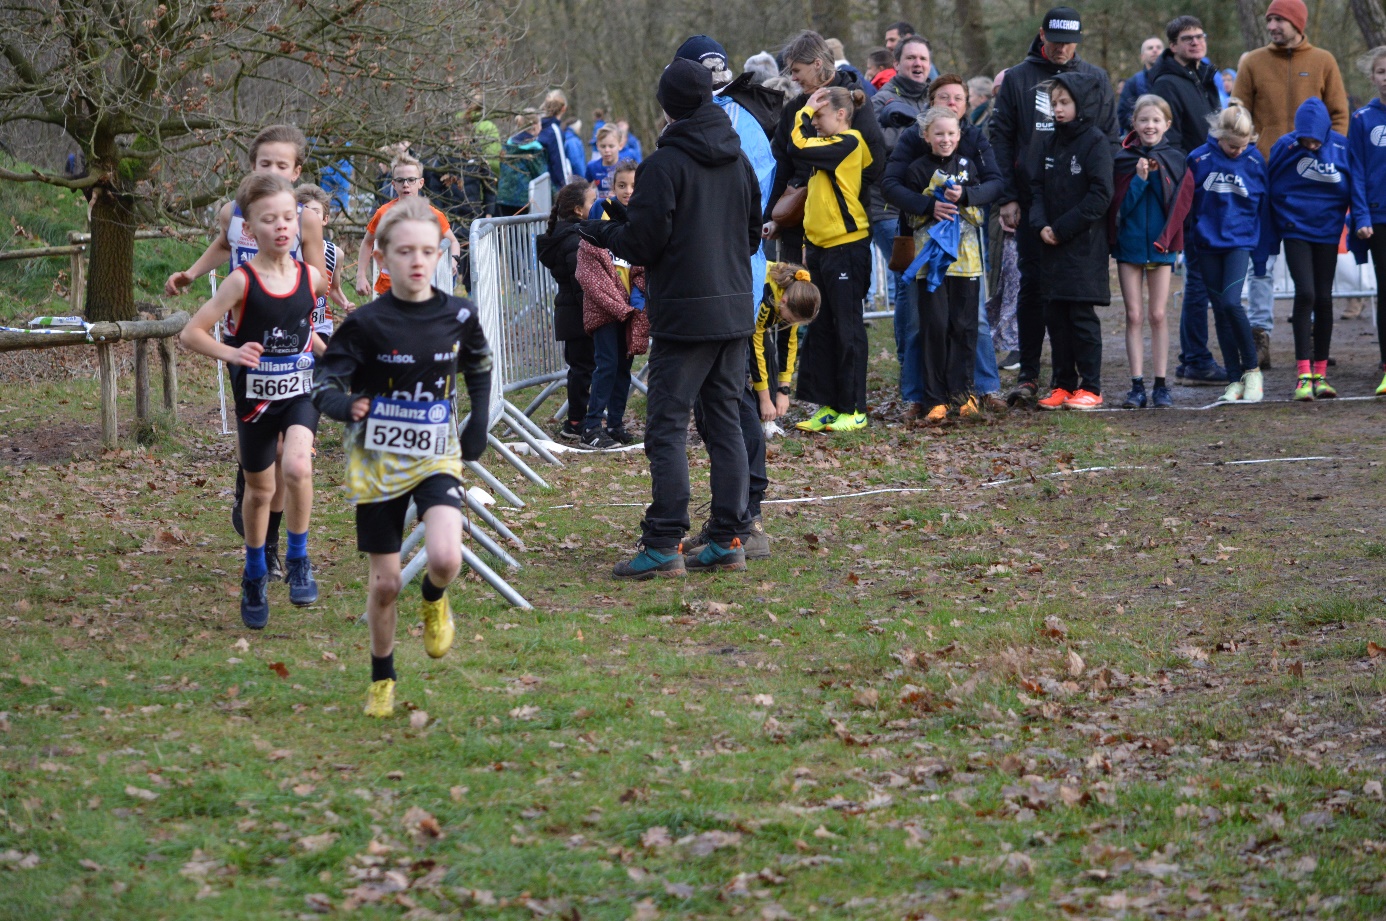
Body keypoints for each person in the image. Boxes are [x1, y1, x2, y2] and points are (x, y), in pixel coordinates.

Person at [578, 58, 761, 578]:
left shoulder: (664, 164)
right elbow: (751, 235)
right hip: (732, 307)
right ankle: (729, 536)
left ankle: (663, 541)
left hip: (685, 316)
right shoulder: (738, 159)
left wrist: (601, 234)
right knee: (723, 421)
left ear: (667, 107)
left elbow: (644, 242)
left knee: (666, 426)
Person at [311, 196, 492, 719]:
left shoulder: (459, 312)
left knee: (445, 558)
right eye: (404, 251)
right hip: (377, 460)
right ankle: (382, 675)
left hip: (436, 453)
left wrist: (477, 420)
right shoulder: (366, 323)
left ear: (440, 255)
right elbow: (325, 380)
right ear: (383, 257)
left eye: (427, 251)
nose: (416, 261)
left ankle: (435, 599)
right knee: (386, 584)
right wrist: (345, 404)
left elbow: (478, 364)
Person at [164, 124, 327, 578]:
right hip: (243, 332)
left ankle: (271, 542)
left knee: (287, 452)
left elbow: (317, 279)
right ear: (251, 166)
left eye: (281, 164)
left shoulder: (304, 220)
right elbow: (223, 245)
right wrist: (192, 275)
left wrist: (309, 324)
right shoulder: (232, 213)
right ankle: (251, 490)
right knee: (265, 448)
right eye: (264, 163)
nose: (272, 170)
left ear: (297, 171)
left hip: (291, 328)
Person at [989, 6, 1119, 408]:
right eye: (1056, 41)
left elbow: (1110, 139)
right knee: (1034, 288)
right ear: (1042, 35)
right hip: (1033, 201)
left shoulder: (1095, 79)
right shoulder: (1018, 78)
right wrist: (1007, 196)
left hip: (1081, 208)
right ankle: (1029, 374)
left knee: (1074, 299)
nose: (1062, 49)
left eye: (1070, 42)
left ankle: (1083, 381)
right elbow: (1001, 137)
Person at [1233, 0, 1351, 370]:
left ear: (1297, 22)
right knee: (1261, 260)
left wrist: (1330, 158)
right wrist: (1249, 156)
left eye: (1279, 19)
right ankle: (1260, 334)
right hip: (1264, 175)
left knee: (1315, 276)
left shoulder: (1323, 60)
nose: (1272, 26)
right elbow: (1238, 112)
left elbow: (1339, 114)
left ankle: (1316, 338)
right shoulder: (1252, 61)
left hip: (1312, 181)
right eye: (1269, 20)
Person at [882, 73, 1006, 415]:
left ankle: (980, 389)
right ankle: (918, 395)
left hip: (965, 251)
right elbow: (891, 184)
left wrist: (967, 196)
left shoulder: (974, 139)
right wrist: (927, 205)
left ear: (966, 106)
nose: (951, 104)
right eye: (943, 98)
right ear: (930, 106)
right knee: (920, 321)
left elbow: (995, 182)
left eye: (957, 99)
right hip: (922, 245)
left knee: (972, 321)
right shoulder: (912, 140)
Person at [684, 261, 819, 562]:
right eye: (788, 316)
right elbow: (755, 342)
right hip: (734, 343)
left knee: (747, 436)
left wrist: (783, 388)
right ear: (783, 301)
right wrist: (764, 396)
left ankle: (748, 526)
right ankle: (728, 524)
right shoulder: (763, 293)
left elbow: (789, 340)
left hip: (735, 347)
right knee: (723, 427)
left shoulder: (789, 296)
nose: (786, 322)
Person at [1265, 98, 1365, 401]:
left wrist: (1360, 218)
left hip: (1328, 230)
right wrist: (1277, 227)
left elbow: (1355, 185)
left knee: (1324, 297)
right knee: (1305, 293)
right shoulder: (1286, 146)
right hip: (1296, 229)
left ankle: (1321, 373)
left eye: (1314, 141)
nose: (1309, 145)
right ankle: (1303, 373)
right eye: (1304, 140)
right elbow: (1271, 186)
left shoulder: (1341, 147)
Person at [787, 85, 874, 433]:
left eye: (820, 116)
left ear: (841, 114)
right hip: (821, 249)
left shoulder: (850, 141)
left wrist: (803, 112)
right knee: (821, 326)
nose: (815, 123)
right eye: (813, 117)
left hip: (847, 248)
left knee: (848, 326)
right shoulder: (826, 148)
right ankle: (829, 406)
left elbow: (797, 145)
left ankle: (854, 408)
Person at [1148, 14, 1226, 387]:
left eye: (1200, 35)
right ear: (1174, 45)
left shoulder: (1207, 77)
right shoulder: (1166, 83)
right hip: (1190, 185)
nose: (1196, 42)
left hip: (1213, 182)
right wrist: (1189, 178)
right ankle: (1196, 358)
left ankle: (1189, 356)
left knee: (1200, 276)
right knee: (1197, 278)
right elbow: (1172, 143)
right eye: (1188, 38)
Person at [1030, 73, 1114, 411]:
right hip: (1050, 246)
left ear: (1080, 103)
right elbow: (1036, 187)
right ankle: (1062, 384)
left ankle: (1090, 386)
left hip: (1082, 246)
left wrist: (1062, 228)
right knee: (1056, 316)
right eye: (1054, 104)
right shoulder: (1049, 142)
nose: (1058, 109)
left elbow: (1100, 195)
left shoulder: (1094, 141)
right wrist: (1040, 225)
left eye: (1064, 103)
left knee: (1080, 316)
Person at [768, 30, 884, 272]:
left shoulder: (853, 102)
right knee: (799, 304)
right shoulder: (795, 110)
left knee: (841, 308)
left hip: (842, 231)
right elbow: (780, 165)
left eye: (797, 70)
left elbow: (874, 160)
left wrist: (836, 194)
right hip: (798, 224)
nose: (793, 78)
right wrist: (773, 215)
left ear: (817, 64)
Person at [903, 106, 989, 423]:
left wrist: (962, 197)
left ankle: (962, 394)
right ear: (926, 136)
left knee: (964, 328)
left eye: (951, 133)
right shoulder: (915, 169)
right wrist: (932, 201)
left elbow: (980, 214)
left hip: (966, 263)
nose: (945, 139)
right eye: (938, 133)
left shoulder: (969, 167)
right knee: (935, 327)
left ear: (959, 135)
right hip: (931, 266)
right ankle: (934, 399)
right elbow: (910, 217)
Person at [1109, 95, 1190, 409]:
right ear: (1134, 124)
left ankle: (1160, 385)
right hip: (1128, 246)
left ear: (1166, 124)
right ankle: (1136, 385)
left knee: (1157, 314)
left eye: (1156, 120)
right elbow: (1120, 210)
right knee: (1134, 315)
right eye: (1144, 120)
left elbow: (1176, 206)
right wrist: (1140, 180)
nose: (1150, 126)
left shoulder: (1175, 158)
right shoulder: (1123, 159)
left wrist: (1156, 176)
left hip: (1161, 245)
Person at [1186, 101, 1267, 403]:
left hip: (1239, 243)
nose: (1238, 151)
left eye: (1243, 146)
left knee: (1232, 303)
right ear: (1219, 135)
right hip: (1206, 245)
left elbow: (1263, 209)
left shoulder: (1255, 163)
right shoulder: (1198, 159)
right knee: (1219, 311)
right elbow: (1186, 205)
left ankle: (1253, 371)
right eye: (1233, 146)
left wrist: (1262, 253)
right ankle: (1234, 379)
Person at [871, 35, 936, 408]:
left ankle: (934, 374)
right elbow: (880, 148)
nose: (917, 64)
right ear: (897, 63)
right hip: (890, 211)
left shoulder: (934, 99)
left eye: (923, 58)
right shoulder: (882, 101)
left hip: (932, 210)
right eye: (911, 58)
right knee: (908, 284)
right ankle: (910, 380)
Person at [575, 163, 647, 449]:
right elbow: (591, 263)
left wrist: (637, 302)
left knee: (623, 367)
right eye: (622, 186)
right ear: (612, 187)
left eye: (633, 186)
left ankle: (615, 424)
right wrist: (616, 303)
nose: (628, 191)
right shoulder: (600, 212)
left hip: (630, 309)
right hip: (605, 308)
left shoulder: (643, 218)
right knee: (607, 364)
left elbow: (643, 267)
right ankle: (591, 426)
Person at [536, 179, 599, 443]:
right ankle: (575, 422)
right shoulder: (573, 239)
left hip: (572, 313)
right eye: (592, 203)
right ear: (577, 210)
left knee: (581, 368)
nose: (597, 207)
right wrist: (595, 310)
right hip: (578, 314)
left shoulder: (568, 234)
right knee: (583, 369)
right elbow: (580, 281)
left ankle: (579, 418)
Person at [355, 155, 461, 298]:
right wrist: (360, 276)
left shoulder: (433, 215)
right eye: (400, 180)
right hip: (389, 291)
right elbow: (367, 242)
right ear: (393, 184)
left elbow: (453, 241)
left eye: (411, 180)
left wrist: (453, 260)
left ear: (421, 183)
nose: (406, 184)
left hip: (422, 290)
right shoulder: (383, 213)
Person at [1348, 46, 1386, 395]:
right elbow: (1355, 172)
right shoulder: (1362, 120)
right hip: (1378, 220)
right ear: (1373, 77)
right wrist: (1362, 215)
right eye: (1381, 72)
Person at [294, 185, 354, 340]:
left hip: (320, 326)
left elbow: (334, 289)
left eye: (314, 212)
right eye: (304, 211)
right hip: (290, 324)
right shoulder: (285, 250)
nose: (309, 217)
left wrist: (346, 304)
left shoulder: (335, 254)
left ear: (325, 219)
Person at [497, 113, 547, 216]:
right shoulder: (534, 148)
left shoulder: (507, 144)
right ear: (534, 126)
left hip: (504, 196)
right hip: (524, 199)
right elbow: (541, 175)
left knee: (508, 230)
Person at [1117, 36, 1165, 130]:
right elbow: (1123, 115)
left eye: (1158, 47)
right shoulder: (1133, 83)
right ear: (1142, 57)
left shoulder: (1176, 80)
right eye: (1150, 48)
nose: (1155, 50)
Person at [538, 90, 579, 185]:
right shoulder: (554, 131)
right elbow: (559, 163)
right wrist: (566, 187)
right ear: (564, 108)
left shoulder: (537, 127)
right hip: (551, 185)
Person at [586, 124, 624, 208]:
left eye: (611, 146)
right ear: (597, 146)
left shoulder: (626, 166)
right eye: (603, 146)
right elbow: (586, 191)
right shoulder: (592, 166)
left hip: (622, 209)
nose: (607, 150)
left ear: (620, 145)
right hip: (601, 209)